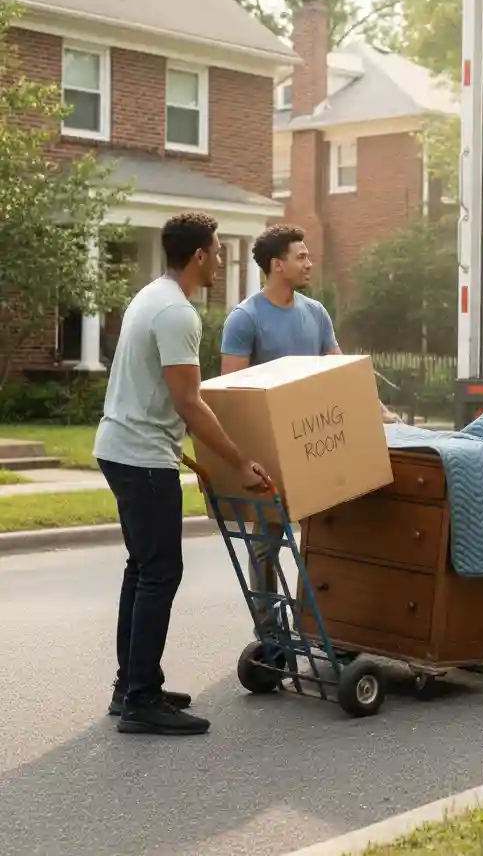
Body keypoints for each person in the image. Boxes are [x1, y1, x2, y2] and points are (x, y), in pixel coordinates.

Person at [94, 212, 269, 736]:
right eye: (217, 250)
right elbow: (189, 401)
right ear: (198, 255)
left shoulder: (152, 296)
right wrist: (237, 461)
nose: (220, 258)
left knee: (143, 569)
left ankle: (132, 685)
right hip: (142, 457)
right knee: (159, 573)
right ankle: (141, 701)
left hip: (123, 448)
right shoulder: (177, 313)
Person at [219, 224, 398, 618]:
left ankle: (333, 621)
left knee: (333, 536)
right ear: (276, 264)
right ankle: (270, 628)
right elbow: (231, 392)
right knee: (266, 544)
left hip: (317, 444)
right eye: (300, 257)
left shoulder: (315, 313)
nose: (309, 264)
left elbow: (342, 374)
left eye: (308, 256)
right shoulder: (245, 318)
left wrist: (382, 414)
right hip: (273, 452)